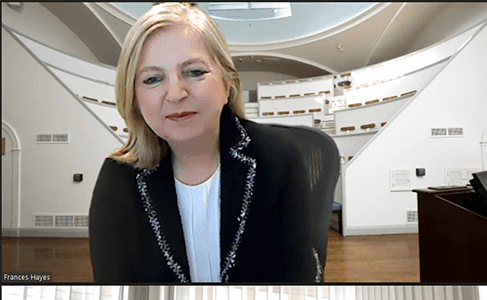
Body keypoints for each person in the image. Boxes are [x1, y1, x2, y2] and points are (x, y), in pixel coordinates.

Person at [89, 2, 338, 283]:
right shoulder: (117, 176)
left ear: (227, 83)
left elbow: (299, 274)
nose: (175, 93)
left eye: (195, 72)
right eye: (153, 79)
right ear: (133, 96)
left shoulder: (280, 156)